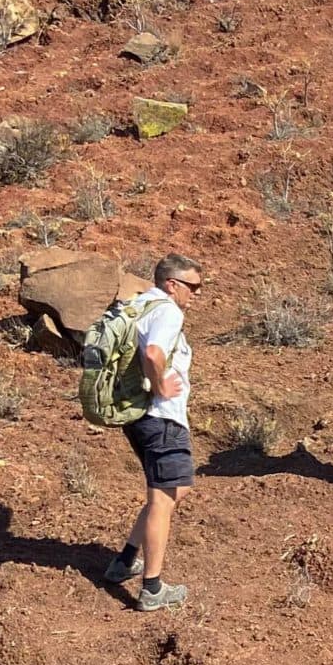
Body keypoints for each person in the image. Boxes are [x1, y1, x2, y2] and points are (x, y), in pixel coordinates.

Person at [104, 253, 203, 610]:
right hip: (160, 417)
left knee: (175, 490)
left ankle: (126, 559)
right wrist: (160, 383)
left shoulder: (138, 305)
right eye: (192, 287)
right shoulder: (167, 310)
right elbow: (154, 351)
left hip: (138, 415)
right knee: (164, 497)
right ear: (171, 284)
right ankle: (152, 588)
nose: (195, 294)